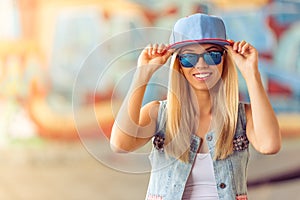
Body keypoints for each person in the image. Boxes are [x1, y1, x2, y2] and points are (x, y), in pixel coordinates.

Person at [110, 13, 281, 200]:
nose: (201, 64)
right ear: (179, 65)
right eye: (189, 57)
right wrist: (143, 73)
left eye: (212, 55)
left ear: (225, 59)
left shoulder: (241, 116)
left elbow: (269, 145)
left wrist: (251, 73)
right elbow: (119, 144)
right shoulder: (159, 114)